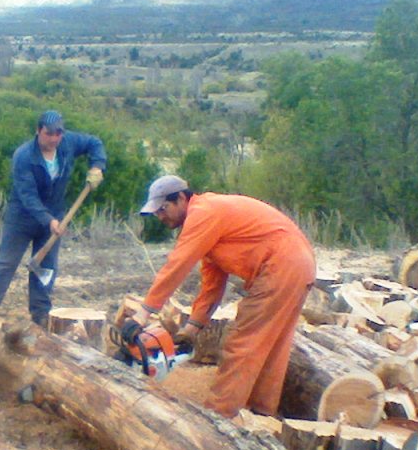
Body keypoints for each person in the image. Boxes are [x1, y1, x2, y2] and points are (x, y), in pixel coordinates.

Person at [122, 175, 316, 418]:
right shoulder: (211, 222)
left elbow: (177, 265)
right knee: (272, 345)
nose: (161, 217)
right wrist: (191, 330)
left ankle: (219, 419)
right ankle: (260, 415)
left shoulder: (202, 213)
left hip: (281, 264)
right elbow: (212, 285)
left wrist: (144, 313)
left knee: (241, 343)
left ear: (181, 198)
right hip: (298, 263)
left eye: (163, 209)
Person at [0, 110, 107, 325]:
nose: (54, 139)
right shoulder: (24, 156)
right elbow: (27, 195)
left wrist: (97, 165)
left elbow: (94, 143)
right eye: (49, 134)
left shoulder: (67, 144)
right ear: (38, 131)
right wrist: (48, 220)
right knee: (6, 263)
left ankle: (40, 317)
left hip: (54, 215)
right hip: (23, 217)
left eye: (58, 134)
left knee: (46, 268)